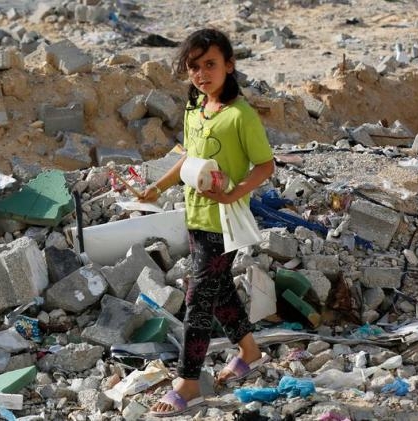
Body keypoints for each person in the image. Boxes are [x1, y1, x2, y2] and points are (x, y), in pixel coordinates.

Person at [141, 28, 275, 417]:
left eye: (210, 64)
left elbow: (265, 165)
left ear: (229, 65)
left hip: (225, 220)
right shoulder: (195, 107)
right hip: (196, 216)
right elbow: (189, 158)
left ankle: (187, 383)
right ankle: (249, 353)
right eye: (194, 67)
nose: (202, 73)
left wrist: (235, 192)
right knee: (217, 291)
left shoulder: (240, 115)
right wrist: (156, 186)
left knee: (198, 299)